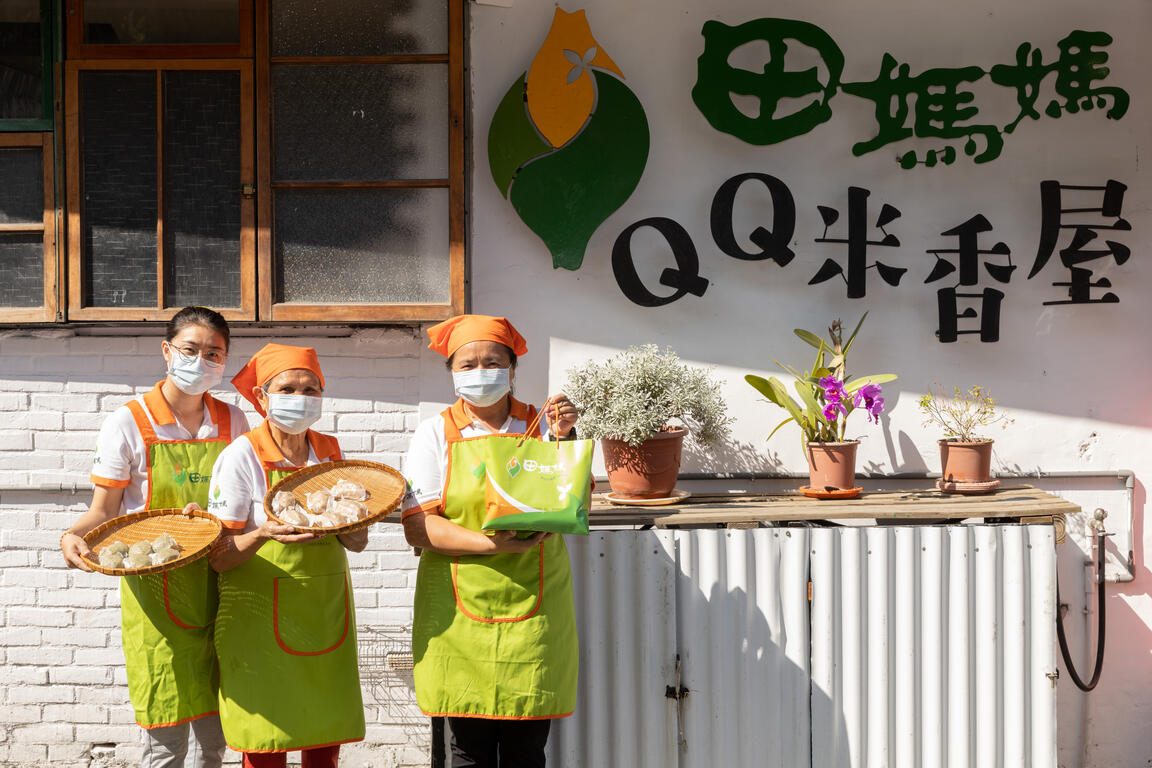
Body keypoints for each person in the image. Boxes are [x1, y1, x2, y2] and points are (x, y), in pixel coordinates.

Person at [60, 306, 248, 768]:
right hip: (156, 596)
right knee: (165, 741)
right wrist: (72, 536)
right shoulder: (128, 422)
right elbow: (103, 511)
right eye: (190, 349)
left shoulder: (234, 421)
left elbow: (243, 506)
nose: (202, 360)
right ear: (167, 351)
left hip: (223, 585)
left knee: (216, 738)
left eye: (214, 353)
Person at [402, 314, 579, 768]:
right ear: (452, 372)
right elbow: (419, 527)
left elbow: (575, 508)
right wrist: (496, 545)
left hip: (534, 605)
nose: (480, 372)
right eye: (468, 364)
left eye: (493, 362)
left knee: (527, 749)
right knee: (467, 750)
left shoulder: (544, 427)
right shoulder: (434, 433)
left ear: (513, 369)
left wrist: (566, 441)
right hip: (458, 613)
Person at [205, 343, 366, 768]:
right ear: (261, 397)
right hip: (259, 621)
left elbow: (357, 543)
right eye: (288, 389)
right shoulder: (241, 456)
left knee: (324, 742)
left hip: (324, 612)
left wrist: (354, 520)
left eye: (311, 389)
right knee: (266, 744)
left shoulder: (330, 451)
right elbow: (219, 556)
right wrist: (263, 533)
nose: (301, 398)